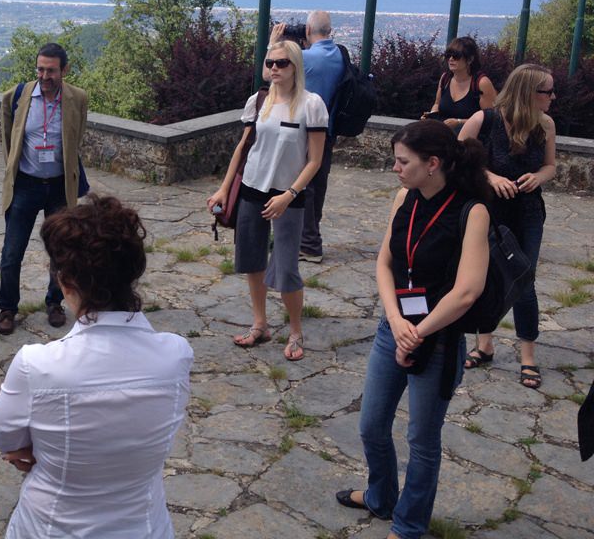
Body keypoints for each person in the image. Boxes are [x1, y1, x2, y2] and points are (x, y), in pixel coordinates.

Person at [0, 194, 192, 539]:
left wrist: (45, 450)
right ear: (132, 274)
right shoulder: (176, 356)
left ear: (65, 283)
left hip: (50, 527)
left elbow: (8, 438)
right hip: (144, 527)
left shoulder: (36, 365)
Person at [336, 120, 490, 539]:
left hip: (437, 339)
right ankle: (379, 496)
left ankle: (408, 524)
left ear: (433, 164)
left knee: (422, 438)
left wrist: (418, 334)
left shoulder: (472, 211)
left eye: (403, 162)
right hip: (396, 327)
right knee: (371, 424)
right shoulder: (405, 196)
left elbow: (468, 291)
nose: (395, 169)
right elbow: (384, 262)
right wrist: (396, 320)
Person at [208, 40, 327, 361]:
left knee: (287, 268)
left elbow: (314, 161)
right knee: (252, 260)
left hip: (288, 195)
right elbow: (243, 147)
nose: (275, 68)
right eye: (270, 62)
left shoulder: (311, 105)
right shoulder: (258, 101)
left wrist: (290, 195)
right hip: (251, 188)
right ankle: (260, 323)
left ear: (295, 67)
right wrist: (223, 188)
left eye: (282, 63)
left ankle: (296, 331)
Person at [458, 64, 556, 390]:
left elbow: (550, 167)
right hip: (488, 211)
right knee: (485, 277)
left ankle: (528, 355)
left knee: (524, 281)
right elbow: (459, 158)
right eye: (547, 91)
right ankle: (484, 344)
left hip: (528, 212)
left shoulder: (545, 125)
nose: (552, 97)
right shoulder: (485, 120)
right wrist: (490, 177)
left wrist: (538, 177)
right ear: (528, 92)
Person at [0, 42, 88, 335]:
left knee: (61, 252)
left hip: (60, 186)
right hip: (25, 185)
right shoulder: (17, 96)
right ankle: (7, 308)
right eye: (40, 69)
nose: (44, 76)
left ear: (64, 70)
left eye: (50, 70)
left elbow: (76, 140)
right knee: (12, 252)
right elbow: (9, 142)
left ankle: (55, 302)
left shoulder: (78, 99)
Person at [290, 11, 346, 264]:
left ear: (308, 28)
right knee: (318, 183)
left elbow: (270, 73)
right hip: (329, 130)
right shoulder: (339, 54)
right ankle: (304, 236)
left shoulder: (307, 57)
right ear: (330, 30)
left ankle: (310, 244)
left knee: (304, 186)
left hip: (307, 130)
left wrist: (273, 41)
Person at [423, 36, 496, 131]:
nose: (451, 59)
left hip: (471, 141)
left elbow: (489, 119)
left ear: (470, 59)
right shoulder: (445, 78)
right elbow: (437, 104)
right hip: (444, 137)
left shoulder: (481, 83)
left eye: (456, 56)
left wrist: (459, 122)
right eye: (448, 55)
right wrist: (431, 117)